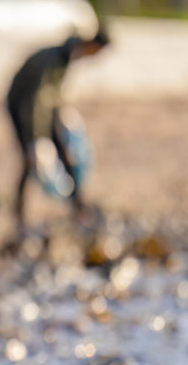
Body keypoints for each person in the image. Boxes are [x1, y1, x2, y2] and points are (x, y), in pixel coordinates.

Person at [6, 28, 110, 232]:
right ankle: (19, 215)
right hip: (22, 109)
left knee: (66, 153)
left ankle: (78, 208)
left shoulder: (67, 57)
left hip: (45, 110)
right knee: (29, 160)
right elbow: (32, 102)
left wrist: (65, 114)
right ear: (93, 46)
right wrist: (34, 140)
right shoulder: (51, 59)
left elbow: (53, 95)